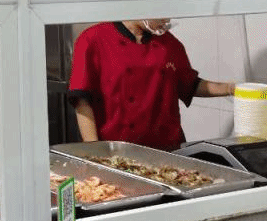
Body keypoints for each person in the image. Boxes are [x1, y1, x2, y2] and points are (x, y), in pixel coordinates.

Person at [68, 19, 236, 151]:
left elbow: (191, 85)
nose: (166, 20)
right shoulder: (93, 39)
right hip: (116, 151)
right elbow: (82, 100)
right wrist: (94, 151)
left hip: (168, 149)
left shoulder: (170, 44)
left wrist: (232, 88)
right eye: (161, 13)